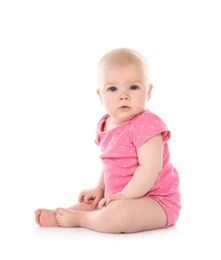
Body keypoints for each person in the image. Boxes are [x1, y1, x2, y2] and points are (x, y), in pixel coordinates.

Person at [35, 47, 181, 233]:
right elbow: (109, 163)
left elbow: (150, 169)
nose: (123, 95)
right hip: (116, 197)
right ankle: (64, 214)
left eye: (134, 87)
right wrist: (99, 188)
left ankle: (82, 219)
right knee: (100, 204)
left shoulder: (147, 124)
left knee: (120, 214)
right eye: (112, 88)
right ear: (100, 96)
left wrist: (124, 196)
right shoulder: (106, 124)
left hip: (155, 201)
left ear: (149, 92)